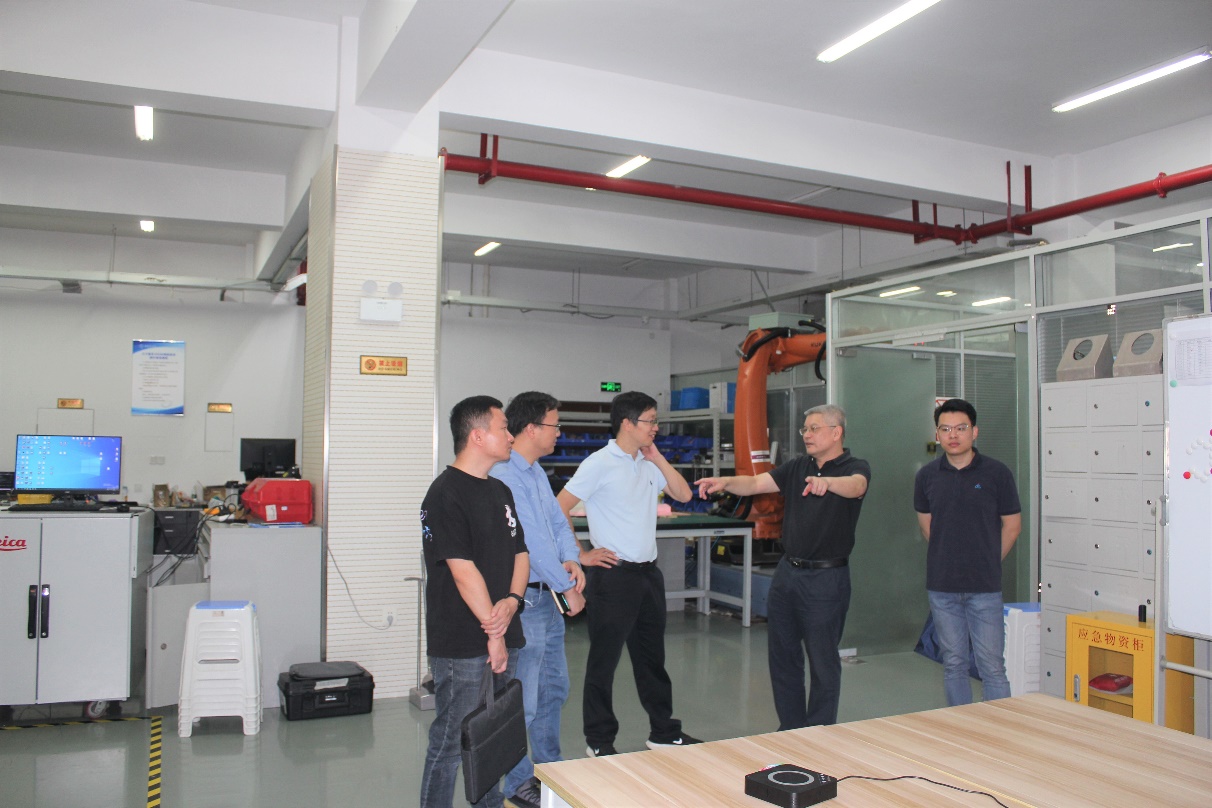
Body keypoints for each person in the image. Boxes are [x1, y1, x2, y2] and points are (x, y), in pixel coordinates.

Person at [696, 404, 869, 730]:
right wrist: (725, 481)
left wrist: (829, 483)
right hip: (788, 574)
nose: (806, 435)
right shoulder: (797, 466)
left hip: (826, 579)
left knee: (822, 661)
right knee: (783, 657)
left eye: (814, 428)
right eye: (805, 429)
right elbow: (755, 484)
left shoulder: (854, 467)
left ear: (836, 432)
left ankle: (818, 731)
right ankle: (791, 729)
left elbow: (857, 486)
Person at [556, 391, 700, 757]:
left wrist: (658, 457)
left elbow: (683, 494)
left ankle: (663, 731)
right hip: (613, 578)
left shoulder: (649, 463)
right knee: (603, 662)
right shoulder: (599, 463)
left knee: (652, 659)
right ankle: (599, 740)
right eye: (650, 420)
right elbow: (560, 507)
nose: (656, 427)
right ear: (627, 423)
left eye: (655, 421)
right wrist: (580, 554)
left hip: (648, 575)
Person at [419, 396, 530, 808]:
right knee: (452, 740)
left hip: (503, 629)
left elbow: (521, 553)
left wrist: (513, 601)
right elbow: (463, 572)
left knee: (491, 738)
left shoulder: (500, 490)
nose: (511, 436)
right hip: (463, 641)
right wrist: (494, 633)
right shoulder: (444, 494)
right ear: (478, 436)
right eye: (504, 428)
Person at [489, 392, 587, 808]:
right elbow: (530, 542)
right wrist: (567, 586)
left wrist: (572, 558)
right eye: (554, 425)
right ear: (532, 428)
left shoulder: (535, 473)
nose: (558, 432)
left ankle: (550, 769)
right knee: (524, 700)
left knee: (553, 689)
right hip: (525, 603)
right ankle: (517, 783)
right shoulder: (505, 475)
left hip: (546, 601)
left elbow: (557, 525)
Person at [914, 398, 1021, 706]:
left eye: (960, 428)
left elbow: (1012, 526)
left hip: (984, 588)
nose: (953, 435)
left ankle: (996, 729)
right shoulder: (927, 476)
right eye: (945, 429)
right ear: (937, 434)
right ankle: (960, 726)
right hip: (942, 587)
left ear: (974, 431)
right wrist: (949, 557)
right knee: (953, 663)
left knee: (992, 667)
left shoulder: (997, 473)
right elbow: (927, 527)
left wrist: (987, 561)